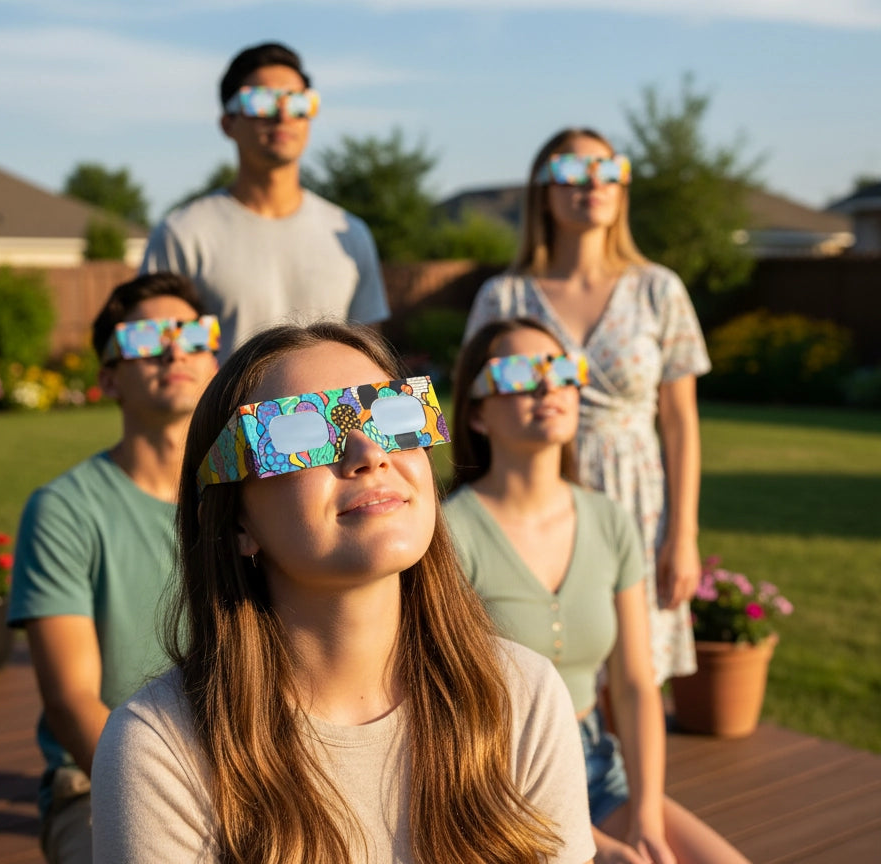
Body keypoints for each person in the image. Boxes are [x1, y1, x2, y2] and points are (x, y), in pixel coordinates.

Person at [91, 321, 596, 864]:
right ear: (237, 521)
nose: (367, 450)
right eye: (300, 432)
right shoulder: (161, 747)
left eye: (392, 412)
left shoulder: (521, 698)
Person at [444, 318, 751, 864]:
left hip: (594, 765)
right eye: (519, 375)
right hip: (494, 779)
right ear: (476, 413)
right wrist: (598, 845)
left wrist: (647, 817)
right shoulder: (449, 534)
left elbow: (634, 685)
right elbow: (447, 715)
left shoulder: (610, 521)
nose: (548, 388)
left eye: (563, 371)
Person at [464, 128, 710, 684]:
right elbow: (477, 403)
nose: (592, 184)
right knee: (533, 672)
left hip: (637, 497)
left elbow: (679, 421)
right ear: (542, 191)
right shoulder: (504, 297)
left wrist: (683, 534)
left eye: (607, 170)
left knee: (633, 674)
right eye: (572, 173)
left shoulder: (658, 290)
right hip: (530, 495)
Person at [8, 272, 220, 864]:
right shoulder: (64, 510)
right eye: (147, 340)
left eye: (192, 335)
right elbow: (73, 702)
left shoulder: (254, 498)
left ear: (215, 359)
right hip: (104, 777)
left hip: (252, 762)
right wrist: (182, 793)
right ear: (108, 377)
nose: (174, 350)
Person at [140, 41, 390, 357]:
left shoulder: (350, 236)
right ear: (227, 123)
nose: (283, 114)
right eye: (262, 102)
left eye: (298, 102)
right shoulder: (184, 236)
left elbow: (369, 362)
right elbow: (160, 361)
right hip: (225, 409)